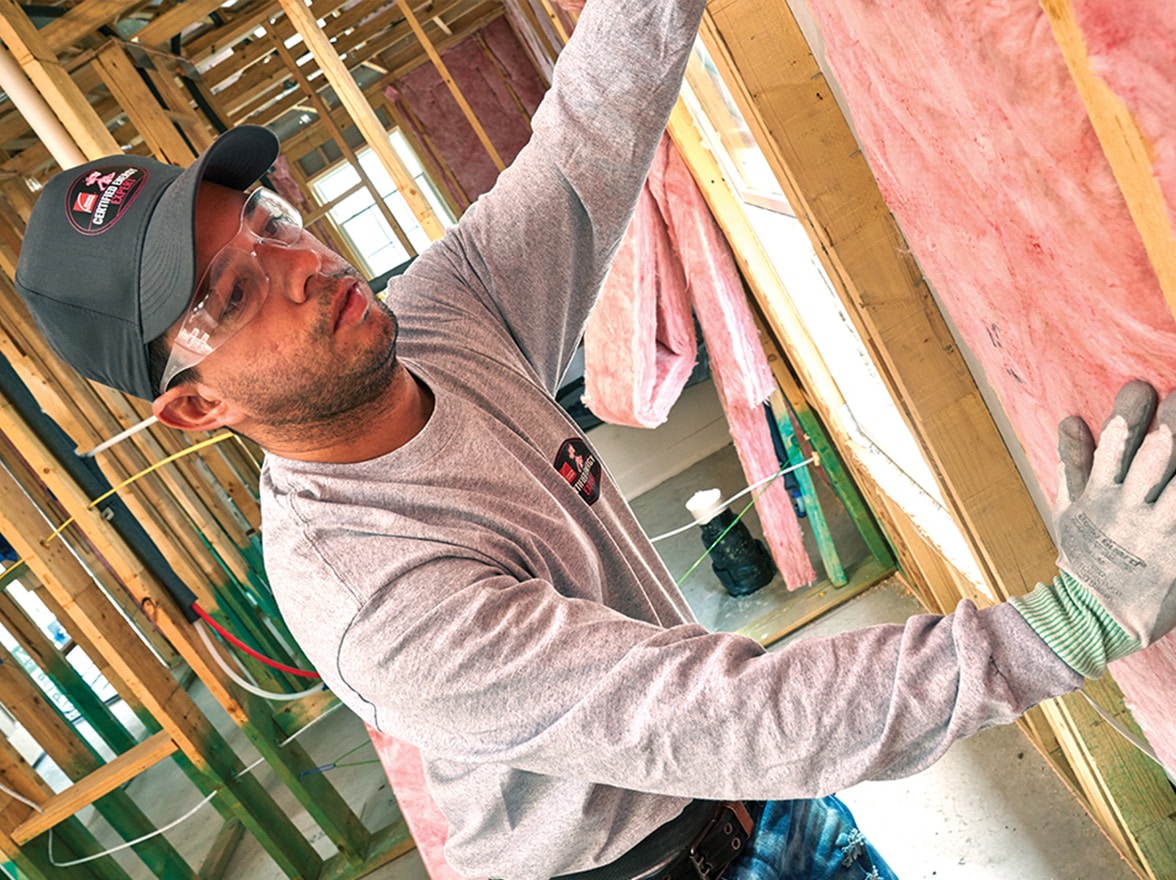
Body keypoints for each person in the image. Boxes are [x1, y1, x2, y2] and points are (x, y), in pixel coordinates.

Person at [12, 0, 1176, 877]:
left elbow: (589, 136)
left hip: (748, 808)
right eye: (231, 292)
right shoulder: (374, 596)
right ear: (196, 405)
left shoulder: (441, 315)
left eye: (269, 220)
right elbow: (731, 716)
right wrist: (1076, 620)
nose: (305, 268)